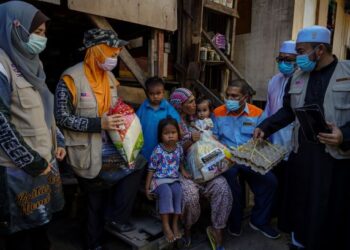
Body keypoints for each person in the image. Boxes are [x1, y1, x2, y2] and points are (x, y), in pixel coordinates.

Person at [254, 25, 350, 250]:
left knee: (330, 210)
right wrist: (266, 127)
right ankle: (299, 243)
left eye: (301, 51)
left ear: (319, 50)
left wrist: (343, 135)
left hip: (335, 159)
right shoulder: (298, 76)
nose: (298, 57)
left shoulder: (347, 73)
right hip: (302, 155)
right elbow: (288, 110)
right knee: (302, 205)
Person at [55, 28, 144, 250]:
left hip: (110, 145)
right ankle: (93, 242)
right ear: (96, 51)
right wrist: (99, 123)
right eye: (111, 53)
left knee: (138, 162)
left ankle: (114, 219)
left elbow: (114, 105)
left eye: (116, 54)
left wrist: (123, 117)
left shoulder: (110, 77)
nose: (114, 58)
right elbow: (61, 118)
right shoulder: (70, 78)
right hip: (85, 150)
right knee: (95, 198)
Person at [0, 2, 65, 250]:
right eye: (36, 31)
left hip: (44, 162)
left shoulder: (33, 63)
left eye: (44, 33)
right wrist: (34, 162)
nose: (42, 38)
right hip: (17, 170)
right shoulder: (2, 64)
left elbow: (43, 109)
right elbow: (1, 122)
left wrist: (58, 140)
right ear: (14, 27)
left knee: (41, 226)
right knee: (20, 234)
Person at [213, 80, 279, 239]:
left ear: (245, 97)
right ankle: (234, 223)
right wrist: (222, 149)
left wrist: (261, 140)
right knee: (231, 182)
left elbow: (266, 139)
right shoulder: (217, 112)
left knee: (270, 181)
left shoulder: (258, 113)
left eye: (234, 96)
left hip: (250, 157)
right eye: (227, 95)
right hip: (227, 157)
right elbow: (213, 137)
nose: (229, 99)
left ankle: (259, 220)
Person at [169, 88, 232, 250]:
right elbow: (169, 150)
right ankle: (187, 228)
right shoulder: (171, 122)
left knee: (222, 187)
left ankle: (217, 229)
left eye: (193, 100)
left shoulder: (198, 118)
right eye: (189, 102)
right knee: (189, 196)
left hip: (208, 168)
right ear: (179, 105)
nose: (194, 104)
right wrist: (190, 140)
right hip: (185, 171)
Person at [264, 40, 297, 222]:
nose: (284, 63)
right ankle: (274, 213)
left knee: (290, 184)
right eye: (281, 59)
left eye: (289, 59)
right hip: (274, 141)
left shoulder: (301, 80)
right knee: (274, 181)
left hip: (292, 141)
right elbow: (269, 109)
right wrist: (263, 129)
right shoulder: (274, 80)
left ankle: (287, 220)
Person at [145, 117, 188, 242]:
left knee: (178, 191)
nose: (170, 136)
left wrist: (183, 171)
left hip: (173, 179)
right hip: (159, 180)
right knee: (166, 192)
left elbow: (179, 161)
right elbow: (151, 169)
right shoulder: (158, 150)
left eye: (173, 133)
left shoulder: (179, 148)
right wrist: (147, 188)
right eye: (166, 133)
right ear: (161, 135)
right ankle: (166, 225)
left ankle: (174, 223)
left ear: (178, 134)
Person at [137, 76, 180, 162]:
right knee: (146, 164)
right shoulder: (144, 107)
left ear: (163, 92)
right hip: (146, 143)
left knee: (160, 163)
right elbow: (135, 121)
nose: (155, 96)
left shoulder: (167, 107)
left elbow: (176, 122)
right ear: (147, 93)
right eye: (152, 94)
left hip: (163, 144)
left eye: (158, 93)